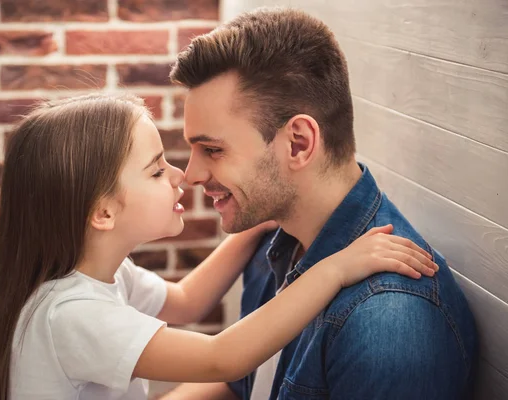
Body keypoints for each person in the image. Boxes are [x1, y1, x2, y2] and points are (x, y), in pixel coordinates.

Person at [0, 94, 437, 400]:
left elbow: (188, 300)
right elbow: (223, 358)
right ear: (103, 213)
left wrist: (256, 221)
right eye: (155, 170)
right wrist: (334, 268)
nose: (182, 175)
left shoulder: (102, 276)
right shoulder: (71, 315)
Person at [165, 7, 478, 400]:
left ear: (298, 143)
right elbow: (241, 382)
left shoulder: (386, 324)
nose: (191, 175)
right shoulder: (272, 237)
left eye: (212, 149)